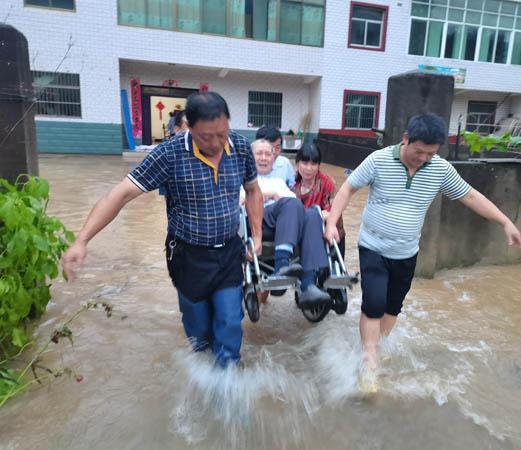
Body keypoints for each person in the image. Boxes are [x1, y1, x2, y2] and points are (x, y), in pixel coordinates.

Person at [61, 92, 264, 369]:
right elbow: (119, 195)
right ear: (188, 128)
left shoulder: (240, 147)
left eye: (222, 134)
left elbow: (253, 190)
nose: (217, 143)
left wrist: (257, 235)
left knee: (230, 323)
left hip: (229, 251)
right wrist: (81, 240)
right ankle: (203, 375)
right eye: (207, 137)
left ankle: (227, 385)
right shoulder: (169, 154)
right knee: (199, 335)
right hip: (188, 256)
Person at [324, 113, 521, 392]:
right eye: (419, 151)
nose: (424, 158)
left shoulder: (439, 169)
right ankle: (369, 360)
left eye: (431, 153)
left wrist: (505, 221)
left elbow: (469, 196)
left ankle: (376, 346)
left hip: (407, 252)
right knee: (374, 302)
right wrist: (332, 221)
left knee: (393, 306)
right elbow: (348, 188)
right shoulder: (379, 160)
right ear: (406, 139)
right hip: (373, 247)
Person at [246, 139, 331, 308]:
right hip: (258, 221)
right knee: (291, 203)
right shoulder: (243, 179)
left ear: (274, 157)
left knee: (312, 214)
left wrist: (277, 193)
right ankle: (282, 265)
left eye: (268, 154)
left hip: (284, 223)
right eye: (259, 153)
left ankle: (309, 285)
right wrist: (268, 193)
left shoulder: (279, 182)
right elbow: (239, 201)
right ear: (250, 156)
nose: (264, 158)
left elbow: (296, 207)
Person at [292, 142, 346, 257]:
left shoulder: (327, 183)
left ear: (318, 166)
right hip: (302, 234)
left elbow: (332, 213)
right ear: (297, 164)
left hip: (329, 234)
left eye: (313, 164)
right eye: (305, 163)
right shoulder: (292, 185)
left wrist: (309, 216)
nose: (309, 168)